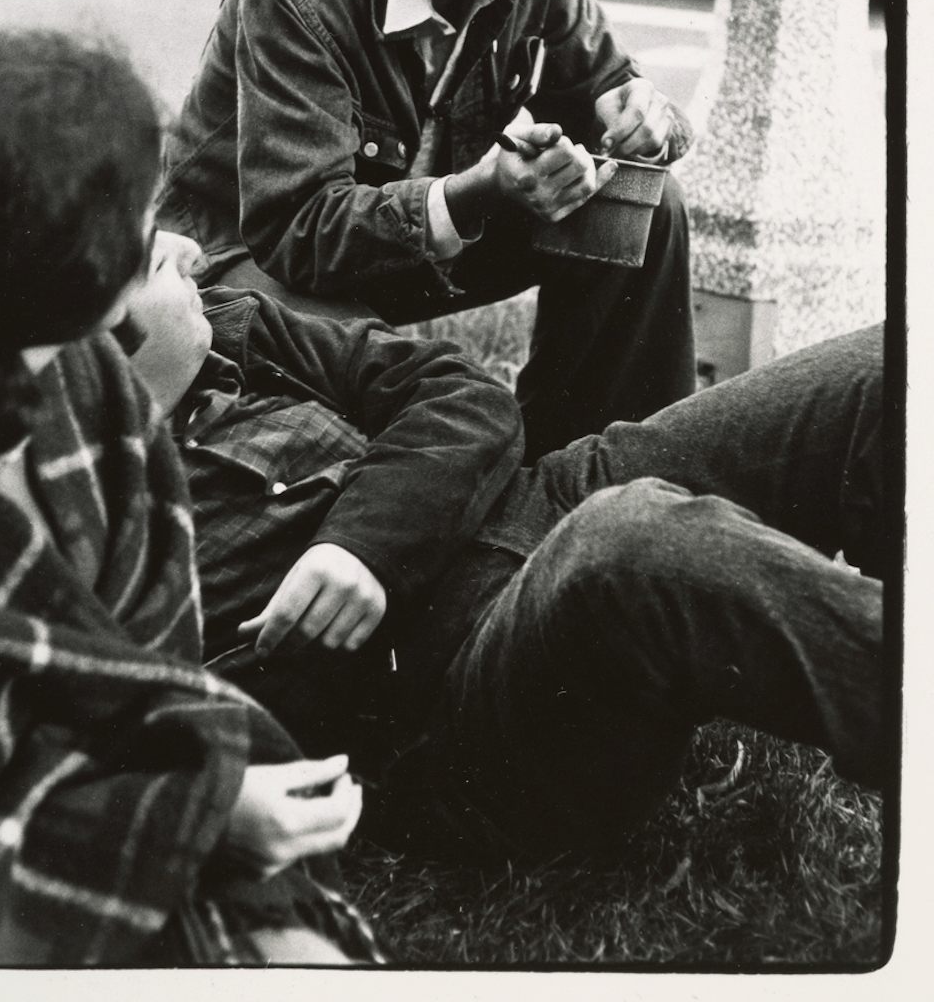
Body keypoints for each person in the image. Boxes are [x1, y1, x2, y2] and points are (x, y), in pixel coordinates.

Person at [127, 228, 885, 868]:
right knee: (631, 540)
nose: (191, 251)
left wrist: (362, 545)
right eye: (152, 260)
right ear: (86, 338)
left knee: (886, 369)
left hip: (537, 503)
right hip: (462, 715)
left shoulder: (230, 324)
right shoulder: (87, 532)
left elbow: (457, 392)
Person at [0, 30, 383, 966]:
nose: (173, 238)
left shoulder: (92, 384)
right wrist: (204, 815)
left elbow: (157, 682)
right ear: (75, 265)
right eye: (144, 214)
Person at [158, 0, 696, 461]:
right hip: (256, 263)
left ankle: (595, 469)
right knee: (428, 411)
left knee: (650, 206)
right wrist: (478, 194)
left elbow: (608, 83)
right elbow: (299, 232)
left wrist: (644, 118)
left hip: (420, 238)